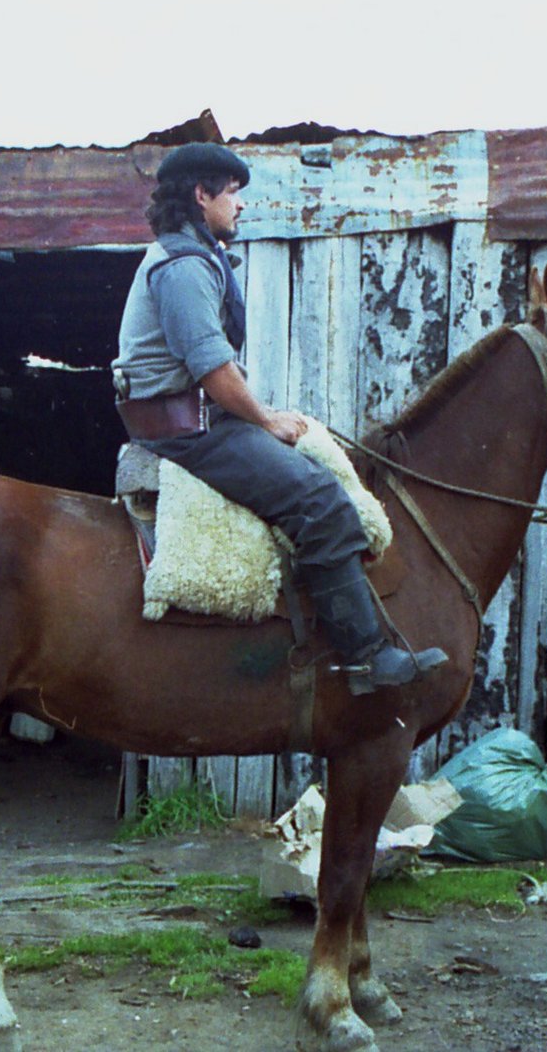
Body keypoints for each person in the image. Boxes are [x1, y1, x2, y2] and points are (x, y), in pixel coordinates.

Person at [112, 142, 447, 695]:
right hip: (189, 432)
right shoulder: (184, 268)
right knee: (320, 501)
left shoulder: (193, 256)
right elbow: (215, 371)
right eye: (233, 192)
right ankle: (364, 659)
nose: (240, 205)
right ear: (202, 195)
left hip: (195, 420)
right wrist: (264, 420)